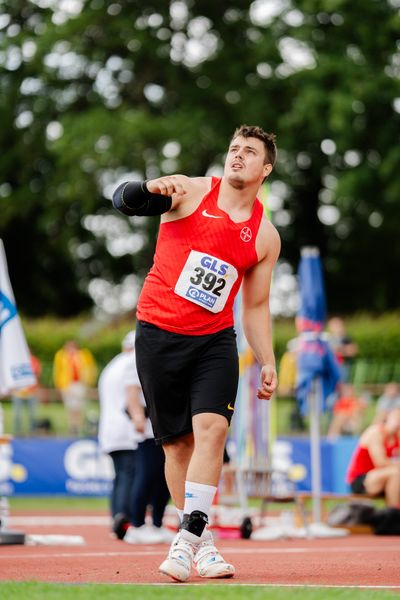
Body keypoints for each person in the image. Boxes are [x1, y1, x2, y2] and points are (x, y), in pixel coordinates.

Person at [113, 124, 280, 581]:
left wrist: (267, 360)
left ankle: (186, 539)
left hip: (214, 341)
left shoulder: (265, 236)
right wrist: (146, 187)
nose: (237, 156)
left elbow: (257, 306)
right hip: (158, 333)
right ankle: (203, 545)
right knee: (178, 445)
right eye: (233, 149)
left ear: (266, 168)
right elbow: (123, 202)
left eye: (249, 152)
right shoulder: (187, 191)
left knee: (213, 429)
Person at [98, 331, 171, 544]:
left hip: (126, 428)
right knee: (139, 476)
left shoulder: (112, 366)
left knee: (133, 476)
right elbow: (130, 398)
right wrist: (139, 417)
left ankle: (132, 522)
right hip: (135, 429)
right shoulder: (131, 363)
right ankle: (132, 523)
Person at [346, 407, 400, 507]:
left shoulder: (396, 437)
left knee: (396, 474)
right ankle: (394, 512)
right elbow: (381, 463)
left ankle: (392, 514)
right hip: (361, 480)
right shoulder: (375, 432)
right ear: (388, 418)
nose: (398, 423)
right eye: (396, 419)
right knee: (396, 473)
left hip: (383, 479)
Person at [53, 340, 97, 435]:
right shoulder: (61, 356)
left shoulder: (83, 355)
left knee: (79, 406)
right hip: (67, 384)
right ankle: (72, 426)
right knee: (70, 406)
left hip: (80, 383)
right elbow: (58, 370)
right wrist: (59, 385)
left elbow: (89, 368)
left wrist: (88, 381)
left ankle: (79, 426)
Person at [11, 352, 42, 435]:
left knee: (32, 414)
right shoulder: (16, 361)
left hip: (31, 392)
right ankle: (17, 432)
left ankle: (33, 432)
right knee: (17, 414)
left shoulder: (34, 360)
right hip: (18, 392)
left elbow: (37, 373)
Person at [327, 317, 358, 383]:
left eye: (338, 326)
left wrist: (340, 350)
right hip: (330, 365)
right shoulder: (328, 338)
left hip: (342, 365)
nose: (337, 328)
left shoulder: (346, 338)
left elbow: (353, 350)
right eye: (334, 326)